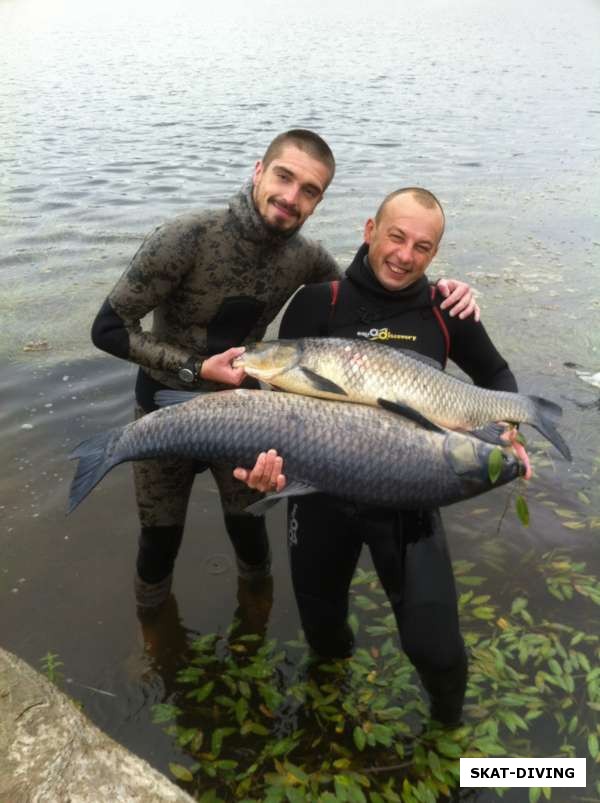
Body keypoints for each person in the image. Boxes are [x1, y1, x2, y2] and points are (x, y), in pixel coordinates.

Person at [91, 130, 478, 611]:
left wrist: (440, 291)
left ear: (319, 201)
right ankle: (153, 644)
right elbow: (107, 329)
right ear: (259, 171)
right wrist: (195, 369)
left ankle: (253, 628)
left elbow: (370, 296)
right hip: (163, 409)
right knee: (158, 541)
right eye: (284, 177)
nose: (292, 197)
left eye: (310, 190)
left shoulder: (307, 258)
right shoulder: (187, 236)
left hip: (245, 417)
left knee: (251, 534)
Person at [234, 187, 518, 728]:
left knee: (438, 651)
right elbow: (278, 408)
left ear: (435, 255)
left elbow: (499, 380)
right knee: (323, 632)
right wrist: (265, 468)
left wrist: (502, 431)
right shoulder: (320, 302)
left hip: (409, 503)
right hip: (317, 498)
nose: (406, 255)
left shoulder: (447, 311)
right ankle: (332, 723)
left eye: (423, 246)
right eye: (396, 236)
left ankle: (451, 745)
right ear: (369, 230)